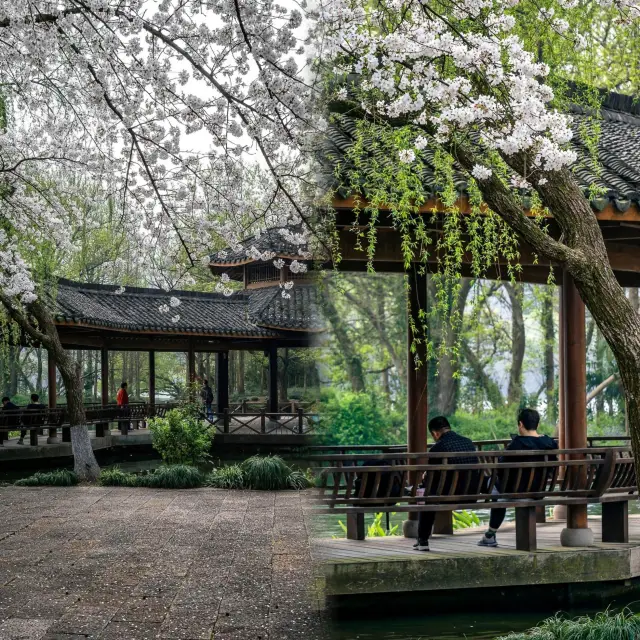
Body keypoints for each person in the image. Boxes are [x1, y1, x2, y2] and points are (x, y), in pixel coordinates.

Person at [478, 408, 557, 548]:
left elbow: (501, 468)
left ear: (520, 424)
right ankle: (490, 534)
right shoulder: (549, 443)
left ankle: (490, 534)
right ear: (537, 425)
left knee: (491, 485)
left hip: (514, 490)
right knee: (495, 488)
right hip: (538, 490)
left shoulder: (517, 443)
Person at [414, 416, 478, 552]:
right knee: (431, 494)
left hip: (446, 494)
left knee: (427, 497)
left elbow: (433, 478)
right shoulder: (468, 443)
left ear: (435, 433)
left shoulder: (437, 449)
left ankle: (423, 540)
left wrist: (424, 479)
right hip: (471, 493)